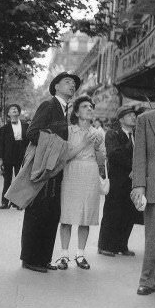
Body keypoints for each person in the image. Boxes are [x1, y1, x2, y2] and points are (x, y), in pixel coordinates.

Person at [20, 71, 80, 273]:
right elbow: (32, 133)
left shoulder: (66, 111)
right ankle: (30, 258)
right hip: (43, 168)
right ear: (56, 87)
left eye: (73, 83)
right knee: (38, 211)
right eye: (67, 82)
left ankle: (44, 258)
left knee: (51, 213)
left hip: (55, 171)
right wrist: (58, 148)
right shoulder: (48, 105)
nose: (72, 85)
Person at [55, 96, 105, 270]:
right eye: (85, 106)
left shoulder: (98, 133)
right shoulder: (69, 131)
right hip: (72, 172)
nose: (89, 108)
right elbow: (65, 157)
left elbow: (102, 161)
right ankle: (63, 255)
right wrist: (84, 143)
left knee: (85, 216)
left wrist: (98, 148)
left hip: (90, 173)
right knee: (67, 215)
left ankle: (80, 254)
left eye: (91, 106)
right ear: (76, 112)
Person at [131, 78, 155, 295]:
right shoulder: (146, 119)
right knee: (154, 236)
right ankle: (148, 281)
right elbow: (139, 156)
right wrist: (139, 185)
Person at [98, 105, 139, 258]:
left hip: (134, 180)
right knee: (112, 212)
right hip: (117, 179)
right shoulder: (112, 134)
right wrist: (133, 166)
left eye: (134, 115)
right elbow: (114, 154)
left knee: (129, 213)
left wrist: (138, 170)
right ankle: (105, 246)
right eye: (130, 115)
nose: (133, 117)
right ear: (121, 119)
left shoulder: (138, 134)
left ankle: (122, 245)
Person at [0, 104, 29, 209]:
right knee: (7, 179)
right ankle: (4, 202)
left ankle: (17, 202)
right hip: (8, 155)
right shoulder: (4, 128)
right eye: (12, 109)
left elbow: (28, 141)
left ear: (19, 113)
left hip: (21, 155)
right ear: (8, 114)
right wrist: (0, 159)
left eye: (16, 109)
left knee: (19, 179)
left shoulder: (26, 126)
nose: (15, 110)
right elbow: (1, 143)